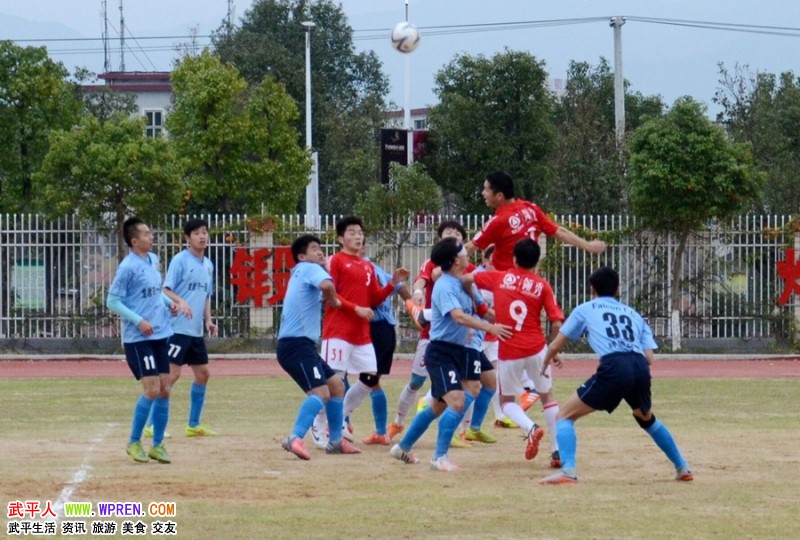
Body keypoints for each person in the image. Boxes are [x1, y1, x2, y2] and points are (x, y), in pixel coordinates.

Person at [538, 266, 693, 485]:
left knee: (564, 416)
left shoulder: (586, 308)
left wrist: (546, 361)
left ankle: (568, 471)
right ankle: (682, 466)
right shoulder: (634, 314)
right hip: (639, 365)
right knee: (646, 418)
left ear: (592, 289)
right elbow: (649, 357)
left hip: (615, 365)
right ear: (618, 289)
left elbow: (557, 343)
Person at [389, 237, 512, 471]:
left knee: (438, 406)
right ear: (456, 260)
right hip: (441, 352)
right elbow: (458, 316)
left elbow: (484, 311)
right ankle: (439, 458)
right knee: (456, 402)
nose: (468, 253)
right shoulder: (445, 286)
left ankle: (402, 448)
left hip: (459, 351)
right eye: (464, 251)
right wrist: (489, 328)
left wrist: (511, 322)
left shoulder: (466, 282)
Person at [465, 238, 565, 467]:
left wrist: (478, 305)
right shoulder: (542, 285)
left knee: (506, 400)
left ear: (514, 259)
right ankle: (557, 451)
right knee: (547, 397)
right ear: (536, 262)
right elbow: (556, 320)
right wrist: (554, 348)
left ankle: (531, 428)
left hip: (509, 349)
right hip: (537, 347)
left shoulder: (500, 277)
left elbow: (466, 279)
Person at [312, 216, 409, 447]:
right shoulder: (335, 261)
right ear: (340, 238)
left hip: (361, 333)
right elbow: (330, 295)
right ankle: (318, 423)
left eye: (360, 232)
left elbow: (374, 298)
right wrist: (356, 308)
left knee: (370, 378)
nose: (358, 236)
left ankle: (332, 419)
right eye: (352, 232)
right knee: (333, 381)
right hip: (337, 331)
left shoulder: (367, 265)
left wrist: (391, 283)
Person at [107, 217, 189, 464]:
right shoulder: (127, 267)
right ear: (134, 241)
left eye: (150, 233)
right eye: (146, 234)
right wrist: (139, 321)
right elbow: (113, 301)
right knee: (152, 389)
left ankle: (157, 445)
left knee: (165, 389)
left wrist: (170, 304)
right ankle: (134, 442)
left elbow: (155, 295)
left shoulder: (153, 261)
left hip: (161, 333)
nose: (151, 237)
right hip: (139, 338)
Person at [278, 234, 362, 459]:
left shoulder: (301, 272)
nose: (320, 252)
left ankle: (335, 442)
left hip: (299, 345)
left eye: (321, 248)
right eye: (314, 248)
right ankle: (295, 438)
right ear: (301, 256)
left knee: (336, 386)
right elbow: (326, 285)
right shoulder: (309, 267)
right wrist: (333, 300)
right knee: (320, 392)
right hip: (296, 345)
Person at [387, 220, 469, 442]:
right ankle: (398, 422)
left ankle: (460, 432)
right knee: (416, 381)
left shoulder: (467, 268)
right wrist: (417, 293)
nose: (452, 236)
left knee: (469, 385)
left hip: (461, 336)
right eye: (447, 233)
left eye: (456, 233)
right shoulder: (434, 264)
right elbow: (425, 279)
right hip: (434, 335)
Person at [143, 218, 218, 439]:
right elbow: (164, 290)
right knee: (170, 376)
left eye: (204, 232)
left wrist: (208, 320)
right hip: (176, 329)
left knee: (203, 374)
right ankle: (151, 425)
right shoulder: (180, 260)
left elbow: (206, 296)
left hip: (195, 332)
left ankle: (193, 425)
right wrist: (181, 302)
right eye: (196, 233)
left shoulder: (208, 265)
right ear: (187, 238)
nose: (202, 236)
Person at [465, 170, 606, 271]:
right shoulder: (530, 208)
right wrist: (588, 246)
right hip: (529, 279)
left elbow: (469, 248)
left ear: (500, 196)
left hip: (502, 281)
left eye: (486, 190)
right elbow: (559, 232)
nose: (483, 194)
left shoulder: (498, 221)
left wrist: (446, 268)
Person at [362, 247, 412, 445]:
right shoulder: (375, 267)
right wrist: (413, 305)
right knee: (373, 381)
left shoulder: (362, 269)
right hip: (387, 329)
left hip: (374, 328)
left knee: (340, 374)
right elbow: (398, 286)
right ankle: (380, 432)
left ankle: (343, 424)